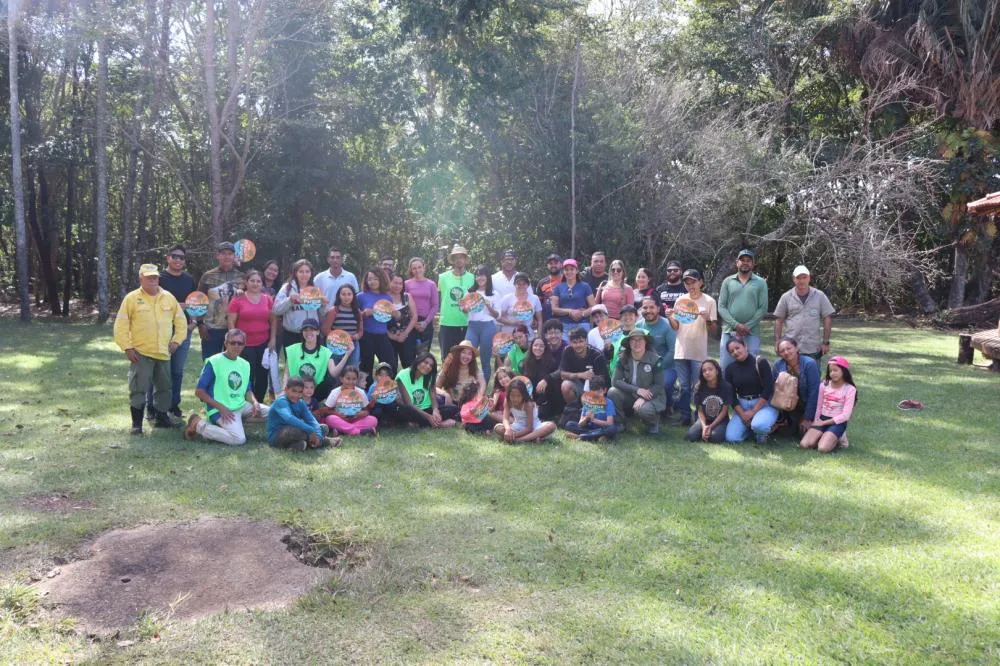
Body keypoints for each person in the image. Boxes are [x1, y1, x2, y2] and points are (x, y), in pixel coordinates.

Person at [114, 263, 188, 434]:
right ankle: (137, 424)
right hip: (141, 353)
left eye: (155, 277)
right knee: (138, 387)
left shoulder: (168, 297)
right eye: (148, 277)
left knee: (164, 388)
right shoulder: (131, 298)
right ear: (141, 278)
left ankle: (162, 419)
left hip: (163, 352)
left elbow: (181, 321)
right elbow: (121, 325)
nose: (152, 280)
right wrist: (127, 347)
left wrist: (176, 341)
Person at [183, 328, 270, 445]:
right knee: (239, 440)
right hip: (220, 409)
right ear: (225, 344)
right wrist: (221, 408)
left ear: (244, 345)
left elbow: (247, 390)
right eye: (232, 343)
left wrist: (255, 403)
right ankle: (198, 424)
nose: (236, 346)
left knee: (275, 412)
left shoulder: (245, 364)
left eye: (240, 343)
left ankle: (235, 424)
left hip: (241, 406)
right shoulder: (214, 362)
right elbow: (199, 391)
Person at [146, 244, 196, 420]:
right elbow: (151, 301)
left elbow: (197, 305)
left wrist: (193, 324)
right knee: (156, 370)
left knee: (177, 371)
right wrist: (178, 305)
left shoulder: (189, 280)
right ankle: (152, 407)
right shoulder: (159, 278)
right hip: (160, 332)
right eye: (174, 256)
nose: (178, 260)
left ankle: (173, 405)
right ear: (168, 258)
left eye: (181, 257)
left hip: (183, 332)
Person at [668, 269, 718, 427]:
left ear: (701, 282)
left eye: (693, 282)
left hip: (698, 351)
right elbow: (676, 327)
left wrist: (707, 319)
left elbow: (713, 329)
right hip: (681, 349)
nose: (691, 285)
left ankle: (698, 417)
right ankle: (684, 416)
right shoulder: (680, 301)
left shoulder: (709, 301)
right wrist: (670, 317)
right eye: (687, 282)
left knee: (697, 387)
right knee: (683, 387)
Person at [227, 270, 275, 403]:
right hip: (244, 345)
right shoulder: (238, 299)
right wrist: (234, 341)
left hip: (263, 343)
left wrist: (273, 339)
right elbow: (231, 321)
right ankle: (245, 402)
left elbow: (273, 321)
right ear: (246, 283)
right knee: (247, 374)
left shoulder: (267, 299)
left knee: (262, 374)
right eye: (252, 280)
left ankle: (259, 403)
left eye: (258, 281)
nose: (255, 283)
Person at [718, 249, 768, 370]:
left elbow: (763, 308)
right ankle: (728, 389)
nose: (745, 263)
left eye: (748, 261)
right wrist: (736, 325)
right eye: (742, 260)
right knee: (725, 366)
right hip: (729, 331)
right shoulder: (728, 281)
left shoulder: (761, 282)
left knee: (751, 367)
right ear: (737, 262)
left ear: (753, 264)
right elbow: (721, 306)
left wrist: (747, 326)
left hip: (751, 332)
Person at [723, 337, 779, 444]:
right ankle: (752, 429)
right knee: (731, 438)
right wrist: (743, 414)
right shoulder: (729, 369)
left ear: (745, 346)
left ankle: (760, 429)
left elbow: (768, 389)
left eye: (737, 348)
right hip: (742, 406)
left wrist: (753, 412)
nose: (735, 352)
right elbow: (731, 396)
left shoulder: (760, 362)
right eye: (731, 351)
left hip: (763, 404)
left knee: (759, 426)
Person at [609, 330, 666, 434]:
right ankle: (620, 423)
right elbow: (615, 381)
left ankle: (653, 422)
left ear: (645, 342)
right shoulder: (622, 359)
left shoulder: (655, 360)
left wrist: (643, 397)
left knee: (644, 410)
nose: (637, 343)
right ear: (629, 343)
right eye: (633, 340)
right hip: (632, 393)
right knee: (612, 392)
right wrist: (637, 390)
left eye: (640, 340)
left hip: (651, 395)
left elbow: (659, 385)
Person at [773, 265, 835, 361]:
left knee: (813, 374)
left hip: (813, 347)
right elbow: (779, 319)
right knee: (791, 375)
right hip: (790, 347)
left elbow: (827, 318)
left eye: (804, 277)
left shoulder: (819, 296)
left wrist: (826, 342)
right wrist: (778, 341)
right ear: (794, 279)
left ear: (809, 278)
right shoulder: (786, 297)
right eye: (798, 278)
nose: (801, 281)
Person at [197, 242, 246, 360]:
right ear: (217, 256)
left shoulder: (242, 277)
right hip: (211, 329)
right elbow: (199, 300)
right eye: (223, 253)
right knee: (210, 363)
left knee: (231, 365)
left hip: (234, 329)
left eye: (230, 254)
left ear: (234, 256)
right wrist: (200, 324)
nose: (227, 256)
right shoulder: (208, 276)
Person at [798, 355, 856, 453]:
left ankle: (839, 436)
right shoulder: (823, 385)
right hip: (822, 419)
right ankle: (826, 435)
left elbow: (846, 415)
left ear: (844, 371)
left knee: (822, 448)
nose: (832, 373)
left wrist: (824, 423)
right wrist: (816, 420)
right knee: (804, 445)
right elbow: (819, 406)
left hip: (837, 422)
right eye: (830, 371)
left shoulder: (850, 389)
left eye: (835, 370)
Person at [266, 376, 339, 451]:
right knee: (295, 431)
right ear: (286, 389)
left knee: (320, 429)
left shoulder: (301, 403)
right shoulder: (281, 401)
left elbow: (311, 420)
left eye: (300, 392)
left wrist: (318, 436)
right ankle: (324, 441)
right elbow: (289, 418)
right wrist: (311, 430)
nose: (296, 395)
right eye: (293, 391)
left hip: (297, 432)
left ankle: (298, 445)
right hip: (278, 435)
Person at [272, 259, 327, 350]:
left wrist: (323, 304)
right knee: (292, 363)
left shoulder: (315, 290)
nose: (304, 274)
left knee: (311, 363)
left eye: (307, 271)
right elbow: (276, 310)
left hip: (311, 334)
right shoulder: (287, 288)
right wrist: (289, 300)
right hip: (292, 334)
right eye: (301, 271)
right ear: (295, 273)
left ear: (311, 273)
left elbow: (322, 313)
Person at [771, 337, 821, 437]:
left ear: (796, 348)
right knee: (784, 434)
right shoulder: (778, 365)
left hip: (807, 406)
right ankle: (785, 421)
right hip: (788, 407)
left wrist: (808, 418)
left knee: (805, 434)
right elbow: (774, 391)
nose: (786, 352)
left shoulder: (809, 364)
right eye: (782, 351)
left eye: (789, 348)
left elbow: (814, 392)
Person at [284, 319, 343, 402]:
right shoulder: (293, 349)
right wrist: (284, 391)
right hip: (296, 389)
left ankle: (318, 403)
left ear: (318, 332)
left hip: (314, 391)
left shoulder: (326, 352)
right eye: (305, 330)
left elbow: (334, 372)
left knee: (330, 381)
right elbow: (287, 374)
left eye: (312, 329)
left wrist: (347, 355)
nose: (308, 333)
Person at [395, 352, 459, 427]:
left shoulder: (429, 376)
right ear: (418, 361)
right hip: (412, 409)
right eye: (426, 362)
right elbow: (408, 404)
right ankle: (440, 424)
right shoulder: (403, 375)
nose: (428, 366)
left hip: (426, 409)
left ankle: (417, 424)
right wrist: (429, 417)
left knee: (453, 409)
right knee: (404, 411)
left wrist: (435, 410)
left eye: (431, 366)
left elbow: (433, 396)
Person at [637, 295, 677, 414]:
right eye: (645, 308)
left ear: (658, 309)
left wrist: (658, 367)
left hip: (667, 366)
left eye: (651, 307)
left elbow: (673, 351)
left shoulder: (667, 325)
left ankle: (667, 406)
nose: (648, 311)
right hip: (644, 366)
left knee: (663, 383)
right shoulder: (638, 326)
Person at [558, 326, 610, 413]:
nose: (578, 345)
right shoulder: (567, 351)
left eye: (581, 341)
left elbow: (604, 380)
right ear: (570, 343)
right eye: (575, 342)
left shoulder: (597, 355)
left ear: (586, 341)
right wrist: (580, 375)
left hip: (595, 387)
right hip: (578, 385)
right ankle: (574, 410)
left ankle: (591, 410)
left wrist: (593, 382)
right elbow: (562, 374)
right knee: (565, 385)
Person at [357, 268, 397, 380]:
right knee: (366, 366)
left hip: (382, 336)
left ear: (382, 280)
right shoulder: (360, 296)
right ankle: (366, 392)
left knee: (391, 364)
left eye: (375, 279)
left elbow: (389, 318)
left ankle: (387, 390)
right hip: (366, 336)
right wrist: (364, 314)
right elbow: (356, 316)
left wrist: (394, 314)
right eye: (369, 279)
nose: (372, 281)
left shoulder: (387, 297)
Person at [463, 265, 501, 381]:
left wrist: (488, 306)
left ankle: (483, 391)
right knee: (466, 355)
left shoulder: (494, 293)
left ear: (487, 277)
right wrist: (468, 307)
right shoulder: (470, 292)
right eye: (478, 275)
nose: (480, 278)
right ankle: (467, 386)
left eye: (482, 275)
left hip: (488, 327)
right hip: (472, 326)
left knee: (485, 359)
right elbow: (464, 310)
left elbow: (497, 315)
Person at [438, 245, 476, 357]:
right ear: (453, 260)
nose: (459, 260)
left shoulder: (472, 278)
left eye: (461, 257)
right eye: (456, 257)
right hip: (447, 322)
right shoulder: (443, 277)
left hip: (466, 323)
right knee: (447, 357)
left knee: (464, 357)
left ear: (465, 260)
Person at [684, 359, 732, 443]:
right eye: (704, 371)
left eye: (710, 369)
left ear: (717, 371)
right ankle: (703, 432)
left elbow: (724, 411)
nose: (707, 372)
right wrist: (704, 426)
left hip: (721, 420)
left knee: (715, 438)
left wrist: (711, 426)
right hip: (704, 419)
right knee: (690, 436)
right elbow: (700, 411)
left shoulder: (726, 387)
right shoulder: (698, 387)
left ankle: (710, 433)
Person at [323, 366, 378, 436]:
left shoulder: (360, 392)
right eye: (348, 379)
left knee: (373, 420)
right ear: (341, 379)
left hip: (356, 419)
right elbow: (326, 411)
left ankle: (342, 431)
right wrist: (338, 414)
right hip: (341, 419)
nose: (351, 382)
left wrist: (360, 414)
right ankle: (359, 431)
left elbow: (366, 411)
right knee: (330, 419)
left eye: (354, 379)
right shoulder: (335, 392)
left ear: (357, 380)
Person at [496, 378, 556, 443]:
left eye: (518, 396)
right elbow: (505, 419)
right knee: (497, 427)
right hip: (517, 426)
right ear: (509, 395)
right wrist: (508, 430)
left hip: (534, 428)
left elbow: (529, 428)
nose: (515, 399)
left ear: (523, 395)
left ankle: (519, 440)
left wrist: (514, 435)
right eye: (512, 396)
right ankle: (532, 439)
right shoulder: (507, 401)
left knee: (551, 426)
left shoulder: (528, 404)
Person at [564, 376, 619, 441]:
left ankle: (581, 437)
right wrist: (587, 418)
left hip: (602, 428)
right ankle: (597, 437)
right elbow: (580, 423)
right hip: (589, 429)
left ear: (604, 390)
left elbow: (609, 423)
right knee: (569, 424)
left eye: (599, 392)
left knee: (612, 429)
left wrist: (594, 420)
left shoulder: (608, 403)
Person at [550, 259, 595, 340]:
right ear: (563, 272)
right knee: (566, 350)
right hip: (564, 326)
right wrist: (570, 311)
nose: (569, 272)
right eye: (566, 270)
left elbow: (593, 307)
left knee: (582, 350)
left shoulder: (585, 286)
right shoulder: (558, 288)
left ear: (577, 271)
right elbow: (554, 309)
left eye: (572, 269)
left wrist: (582, 313)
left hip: (582, 324)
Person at [321, 283, 363, 368]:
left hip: (352, 344)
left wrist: (357, 336)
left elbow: (360, 330)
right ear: (339, 296)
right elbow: (325, 330)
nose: (346, 297)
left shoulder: (357, 312)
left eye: (349, 294)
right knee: (336, 369)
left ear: (353, 296)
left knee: (352, 369)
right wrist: (339, 338)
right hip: (336, 345)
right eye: (343, 294)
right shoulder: (334, 310)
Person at [404, 257, 439, 357]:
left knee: (423, 356)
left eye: (419, 267)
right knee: (408, 355)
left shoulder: (431, 284)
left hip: (426, 323)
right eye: (414, 268)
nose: (417, 270)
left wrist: (426, 322)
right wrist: (413, 321)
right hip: (410, 322)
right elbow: (404, 304)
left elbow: (435, 305)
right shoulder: (406, 284)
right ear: (411, 270)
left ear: (424, 268)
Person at [437, 339, 486, 405]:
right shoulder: (449, 366)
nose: (466, 356)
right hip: (450, 403)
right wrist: (446, 394)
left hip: (467, 405)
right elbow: (435, 387)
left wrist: (478, 396)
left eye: (469, 354)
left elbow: (482, 383)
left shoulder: (474, 369)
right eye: (463, 352)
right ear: (458, 353)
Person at [521, 336, 560, 418]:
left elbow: (553, 385)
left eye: (541, 346)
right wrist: (530, 401)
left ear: (545, 348)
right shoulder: (525, 363)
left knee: (539, 414)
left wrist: (546, 379)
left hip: (546, 399)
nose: (538, 348)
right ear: (531, 347)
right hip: (530, 398)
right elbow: (525, 383)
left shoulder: (551, 362)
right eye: (535, 345)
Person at [497, 272, 542, 339]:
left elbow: (540, 319)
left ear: (528, 285)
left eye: (524, 284)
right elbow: (498, 317)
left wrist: (538, 335)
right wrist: (512, 323)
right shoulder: (507, 298)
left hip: (528, 336)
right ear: (514, 285)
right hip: (509, 337)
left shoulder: (535, 298)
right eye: (518, 284)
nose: (521, 286)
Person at [386, 274, 417, 369]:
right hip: (389, 337)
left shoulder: (407, 297)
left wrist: (405, 334)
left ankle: (409, 383)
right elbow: (379, 320)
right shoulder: (384, 298)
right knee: (390, 366)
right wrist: (390, 335)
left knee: (409, 364)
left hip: (407, 336)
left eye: (400, 283)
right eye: (395, 283)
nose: (397, 286)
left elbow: (414, 316)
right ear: (389, 283)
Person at [536, 253, 563, 322]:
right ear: (547, 266)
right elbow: (538, 304)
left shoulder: (567, 279)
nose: (553, 265)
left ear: (561, 264)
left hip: (565, 318)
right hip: (548, 319)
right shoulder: (542, 282)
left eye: (556, 263)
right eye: (551, 263)